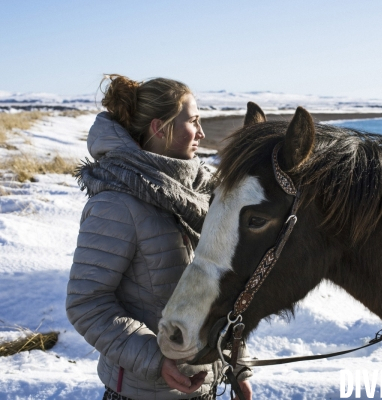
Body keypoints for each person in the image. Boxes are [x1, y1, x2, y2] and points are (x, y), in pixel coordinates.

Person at [66, 75, 252, 400]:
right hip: (142, 392)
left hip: (204, 384)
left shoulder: (203, 193)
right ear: (159, 127)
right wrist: (156, 359)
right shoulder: (117, 203)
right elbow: (87, 303)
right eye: (193, 121)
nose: (202, 132)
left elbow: (220, 293)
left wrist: (237, 366)